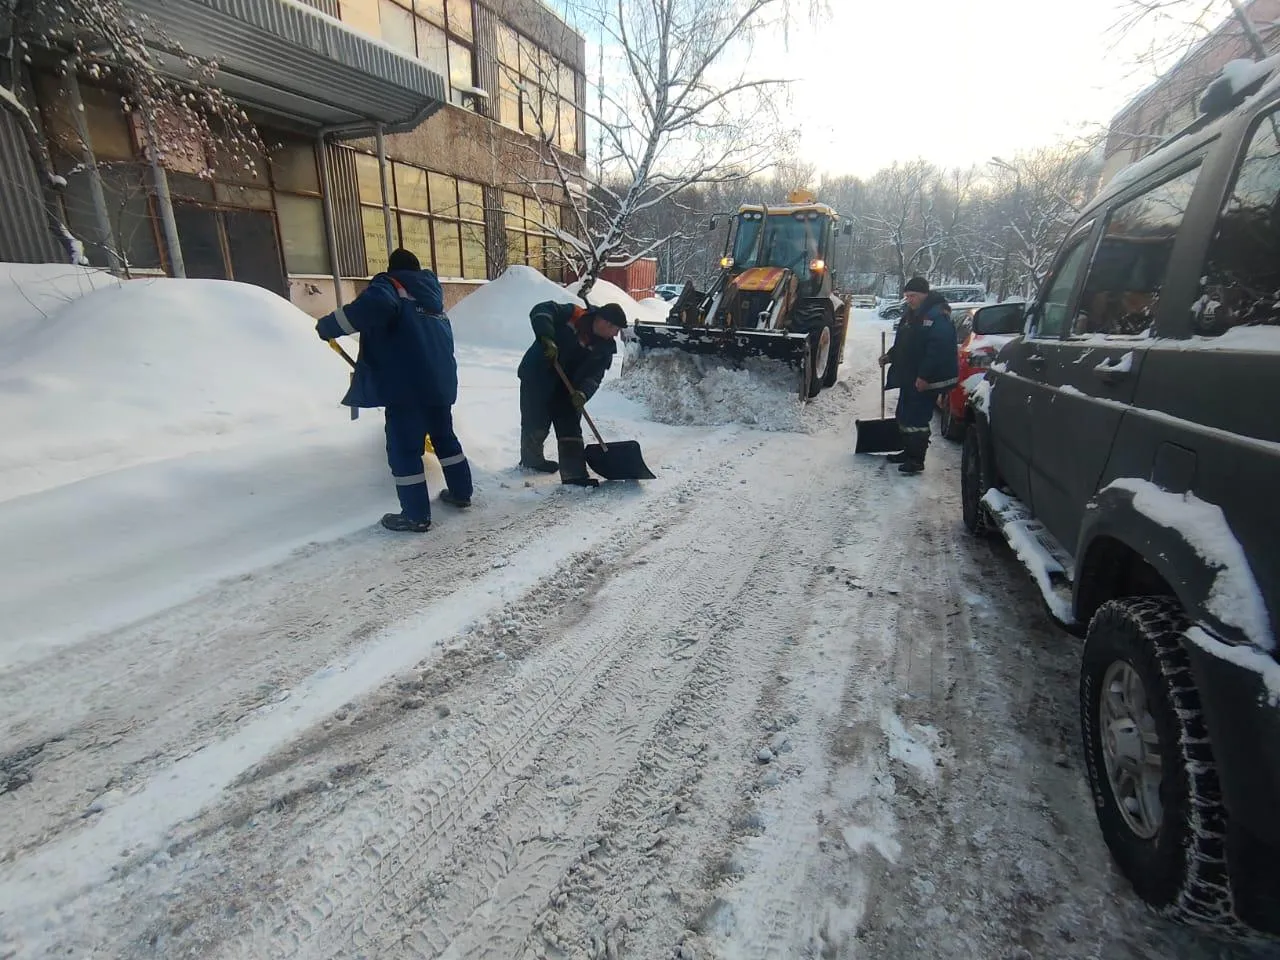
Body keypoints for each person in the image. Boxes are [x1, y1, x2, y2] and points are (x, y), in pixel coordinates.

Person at [315, 248, 473, 532]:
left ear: (394, 269)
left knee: (404, 449)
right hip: (439, 384)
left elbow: (372, 308)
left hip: (407, 386)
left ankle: (415, 516)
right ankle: (462, 494)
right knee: (445, 439)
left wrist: (328, 325)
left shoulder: (391, 285)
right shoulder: (432, 297)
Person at [518, 299, 628, 487]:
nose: (616, 335)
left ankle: (574, 474)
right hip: (538, 375)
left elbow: (594, 377)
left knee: (570, 426)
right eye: (616, 329)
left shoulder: (605, 349)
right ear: (605, 323)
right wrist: (546, 337)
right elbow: (541, 309)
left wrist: (583, 394)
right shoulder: (573, 314)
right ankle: (532, 460)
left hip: (569, 387)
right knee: (536, 421)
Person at [879, 276, 959, 475]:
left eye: (912, 296)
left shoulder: (937, 316)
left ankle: (916, 460)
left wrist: (924, 376)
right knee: (904, 415)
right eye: (906, 296)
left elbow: (938, 350)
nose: (909, 300)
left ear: (924, 294)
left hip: (924, 379)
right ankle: (907, 452)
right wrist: (890, 355)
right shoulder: (913, 314)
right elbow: (906, 343)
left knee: (917, 419)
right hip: (910, 375)